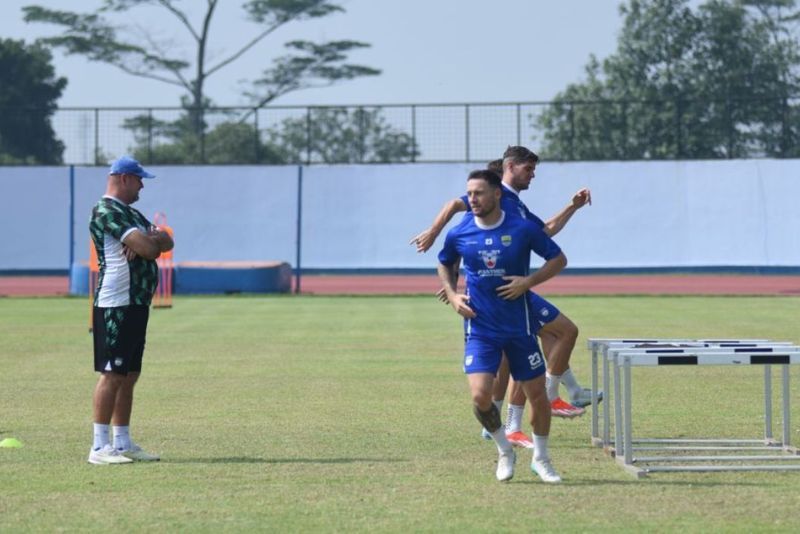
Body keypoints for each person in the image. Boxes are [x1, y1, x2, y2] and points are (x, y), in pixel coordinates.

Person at [412, 148, 599, 438]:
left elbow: (546, 230)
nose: (533, 175)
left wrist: (572, 206)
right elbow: (457, 216)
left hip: (508, 290)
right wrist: (434, 234)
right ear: (510, 167)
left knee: (519, 357)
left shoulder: (516, 206)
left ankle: (507, 423)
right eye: (529, 169)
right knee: (560, 333)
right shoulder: (493, 196)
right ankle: (551, 399)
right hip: (502, 294)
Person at [438, 169, 566, 483]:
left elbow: (558, 259)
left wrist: (528, 282)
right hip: (480, 329)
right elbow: (445, 262)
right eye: (469, 194)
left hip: (519, 328)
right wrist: (454, 295)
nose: (472, 199)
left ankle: (541, 458)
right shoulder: (459, 232)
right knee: (481, 398)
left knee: (537, 395)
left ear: (497, 194)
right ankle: (505, 450)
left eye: (479, 193)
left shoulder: (521, 229)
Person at [87, 155, 173, 465]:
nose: (141, 187)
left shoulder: (131, 213)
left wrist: (149, 238)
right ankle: (99, 447)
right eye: (139, 180)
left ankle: (122, 443)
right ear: (124, 178)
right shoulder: (106, 211)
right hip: (117, 303)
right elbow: (153, 249)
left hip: (136, 303)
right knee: (113, 373)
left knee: (129, 373)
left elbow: (165, 240)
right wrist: (150, 241)